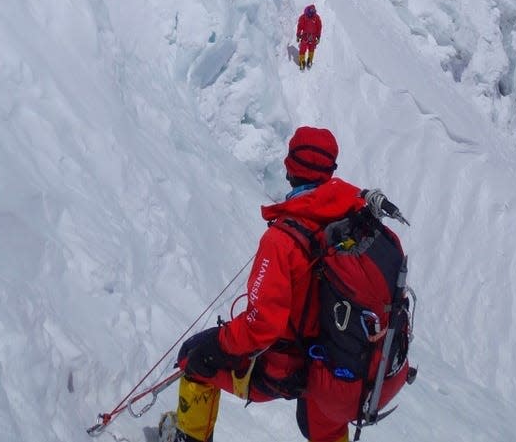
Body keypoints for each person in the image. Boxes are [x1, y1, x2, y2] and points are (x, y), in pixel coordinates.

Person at [160, 126, 411, 442]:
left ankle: (188, 438)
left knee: (193, 357)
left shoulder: (282, 240)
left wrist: (219, 345)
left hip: (282, 368)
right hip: (332, 367)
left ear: (290, 168)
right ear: (331, 169)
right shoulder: (355, 219)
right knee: (325, 428)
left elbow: (261, 326)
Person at [296, 4, 322, 70]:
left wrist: (318, 37)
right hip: (305, 36)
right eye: (310, 12)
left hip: (313, 37)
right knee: (302, 49)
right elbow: (299, 27)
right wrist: (298, 35)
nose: (311, 14)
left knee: (312, 49)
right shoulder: (303, 17)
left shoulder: (316, 18)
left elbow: (319, 28)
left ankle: (310, 60)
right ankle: (302, 61)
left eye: (313, 12)